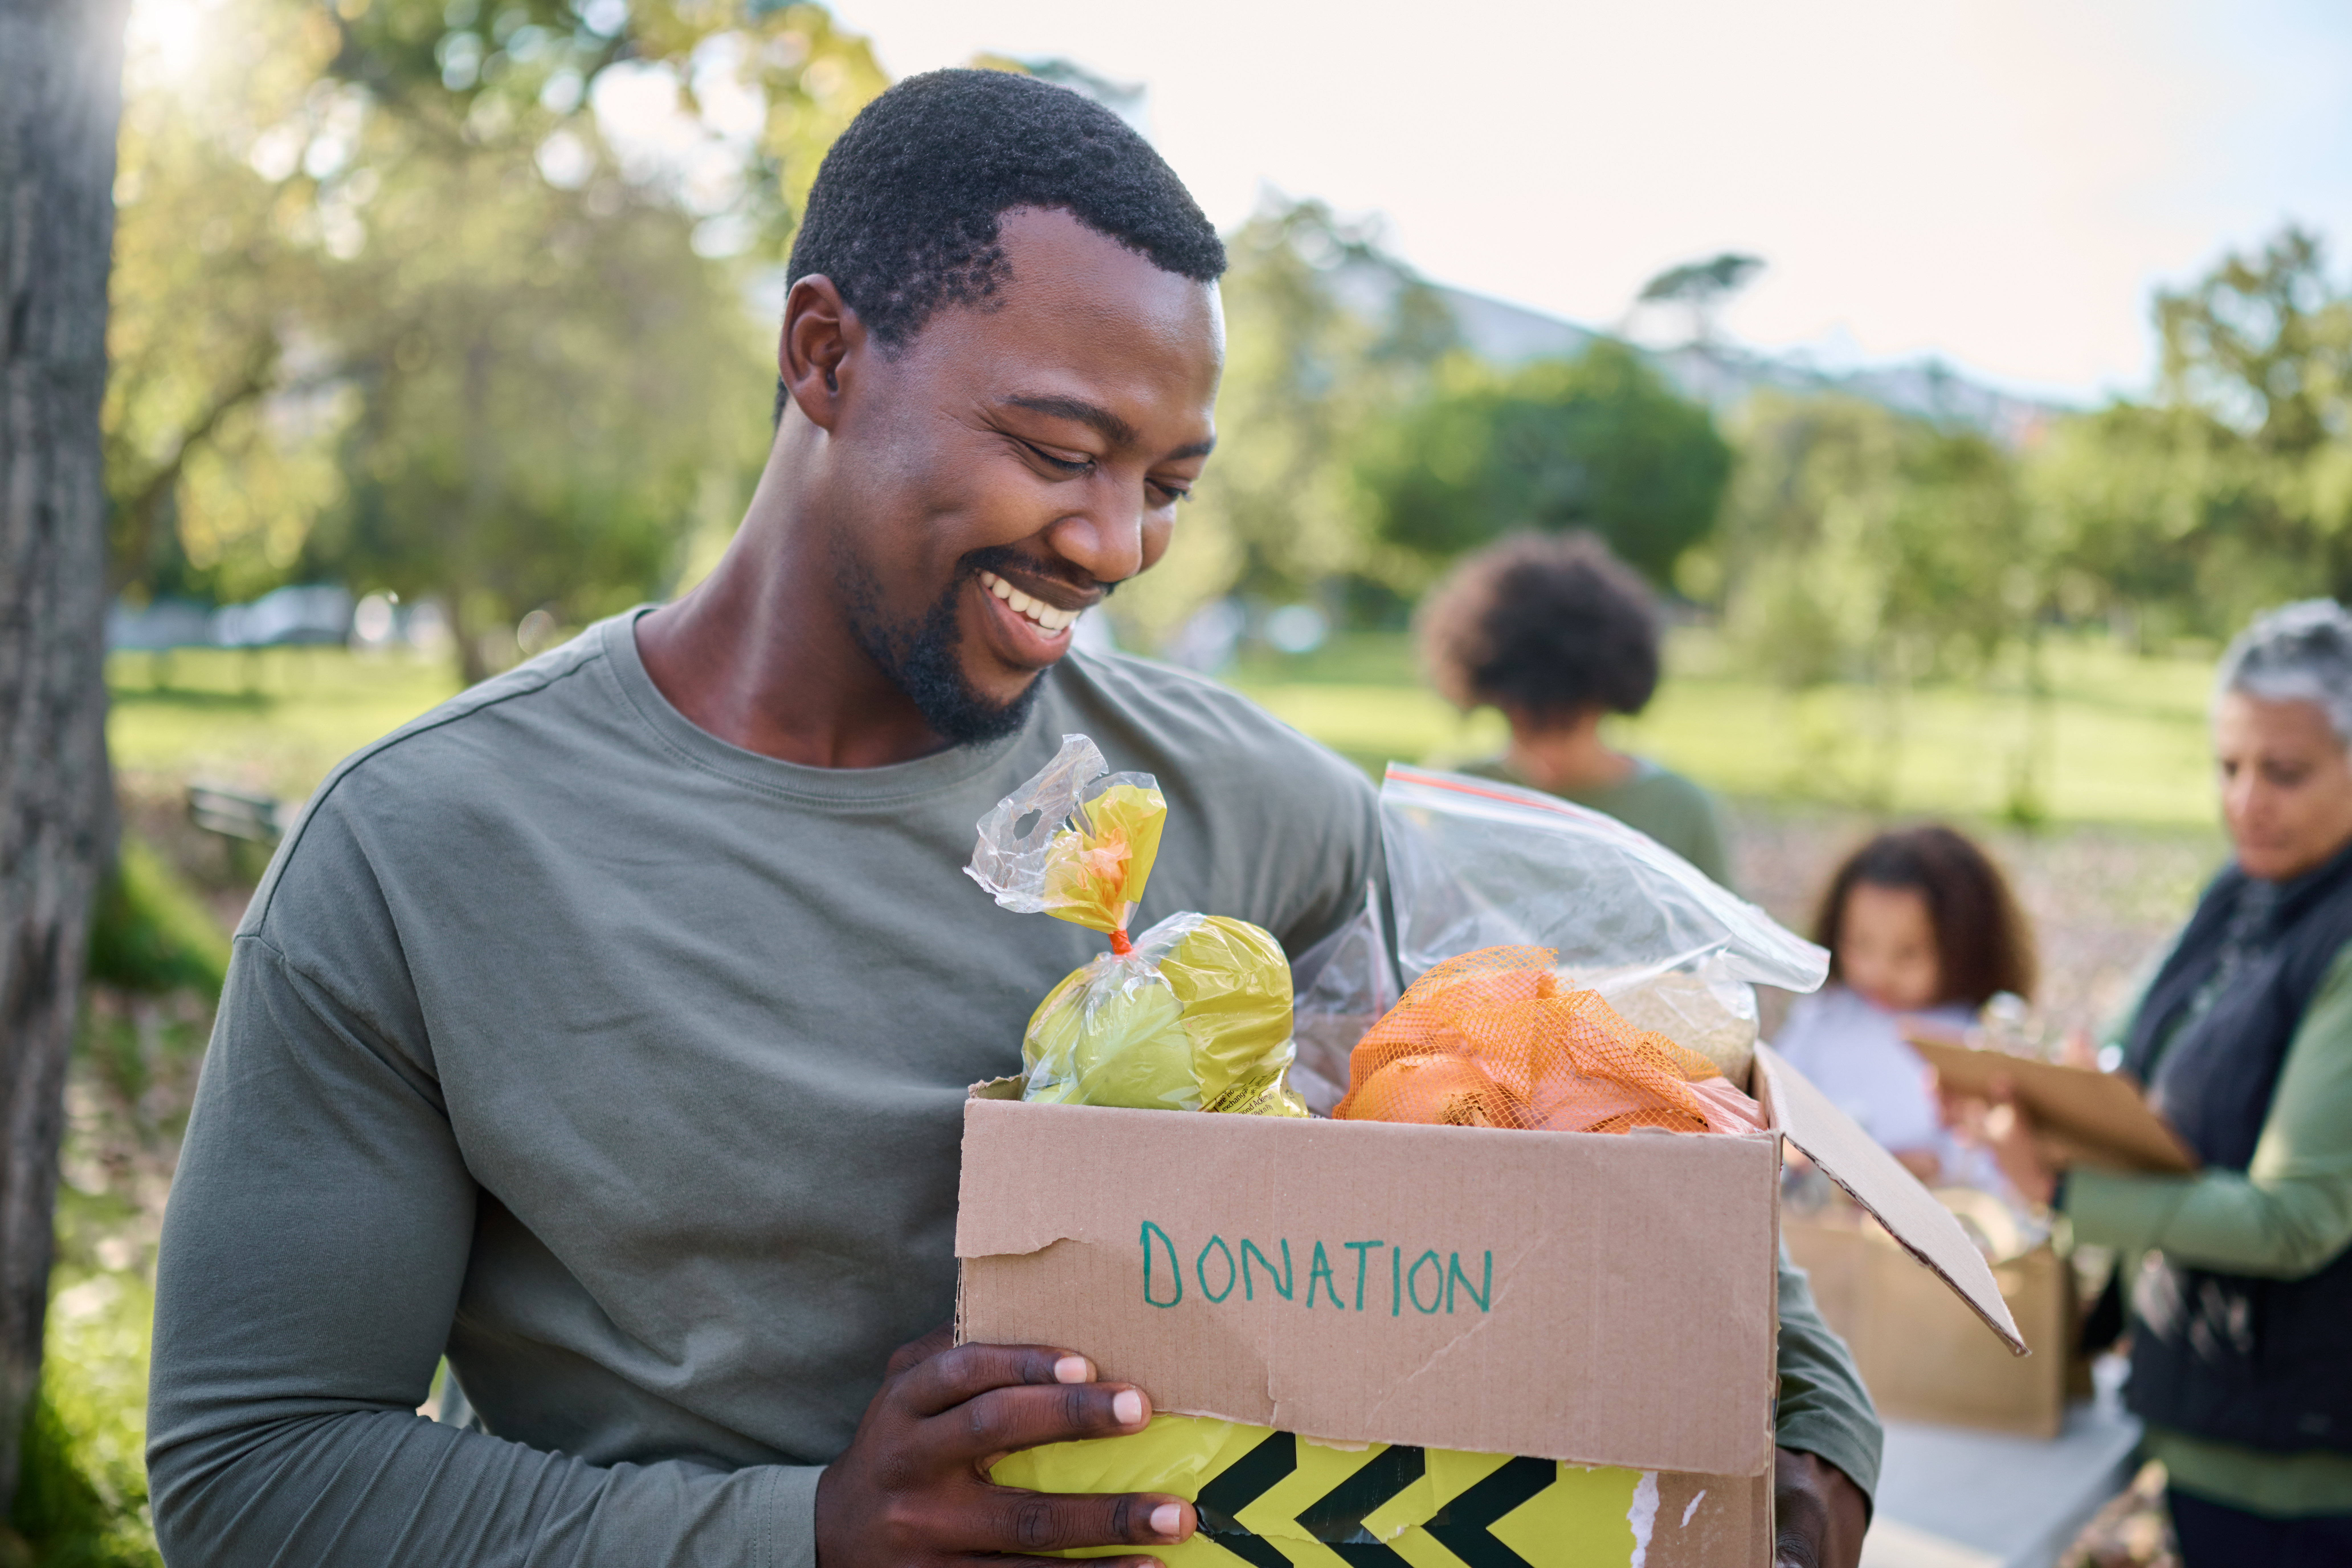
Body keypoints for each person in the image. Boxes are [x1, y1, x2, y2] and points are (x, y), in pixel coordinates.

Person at [145, 70, 1877, 1568]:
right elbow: (254, 1473)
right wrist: (805, 1529)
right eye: (1061, 449)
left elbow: (1591, 1092)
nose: (1117, 543)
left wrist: (1802, 1434)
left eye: (1168, 485)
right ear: (823, 354)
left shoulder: (1248, 804)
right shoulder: (425, 850)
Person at [1964, 601, 2352, 1567]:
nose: (2245, 800)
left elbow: (2295, 1218)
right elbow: (2123, 1068)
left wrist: (2060, 1190)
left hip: (2301, 1462)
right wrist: (2036, 1103)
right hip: (2209, 1416)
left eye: (2284, 771)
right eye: (2227, 766)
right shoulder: (2239, 889)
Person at [1420, 531, 1734, 886]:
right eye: (1524, 728)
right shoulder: (1463, 794)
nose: (1544, 753)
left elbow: (1728, 937)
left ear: (1605, 702)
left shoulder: (1680, 809)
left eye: (1565, 727)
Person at [1775, 825, 2035, 1184]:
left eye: (1908, 954)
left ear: (1966, 947)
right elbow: (1774, 1095)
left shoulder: (1976, 1036)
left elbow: (1996, 1156)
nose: (1880, 971)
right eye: (1860, 944)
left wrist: (1936, 1164)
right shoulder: (1824, 1016)